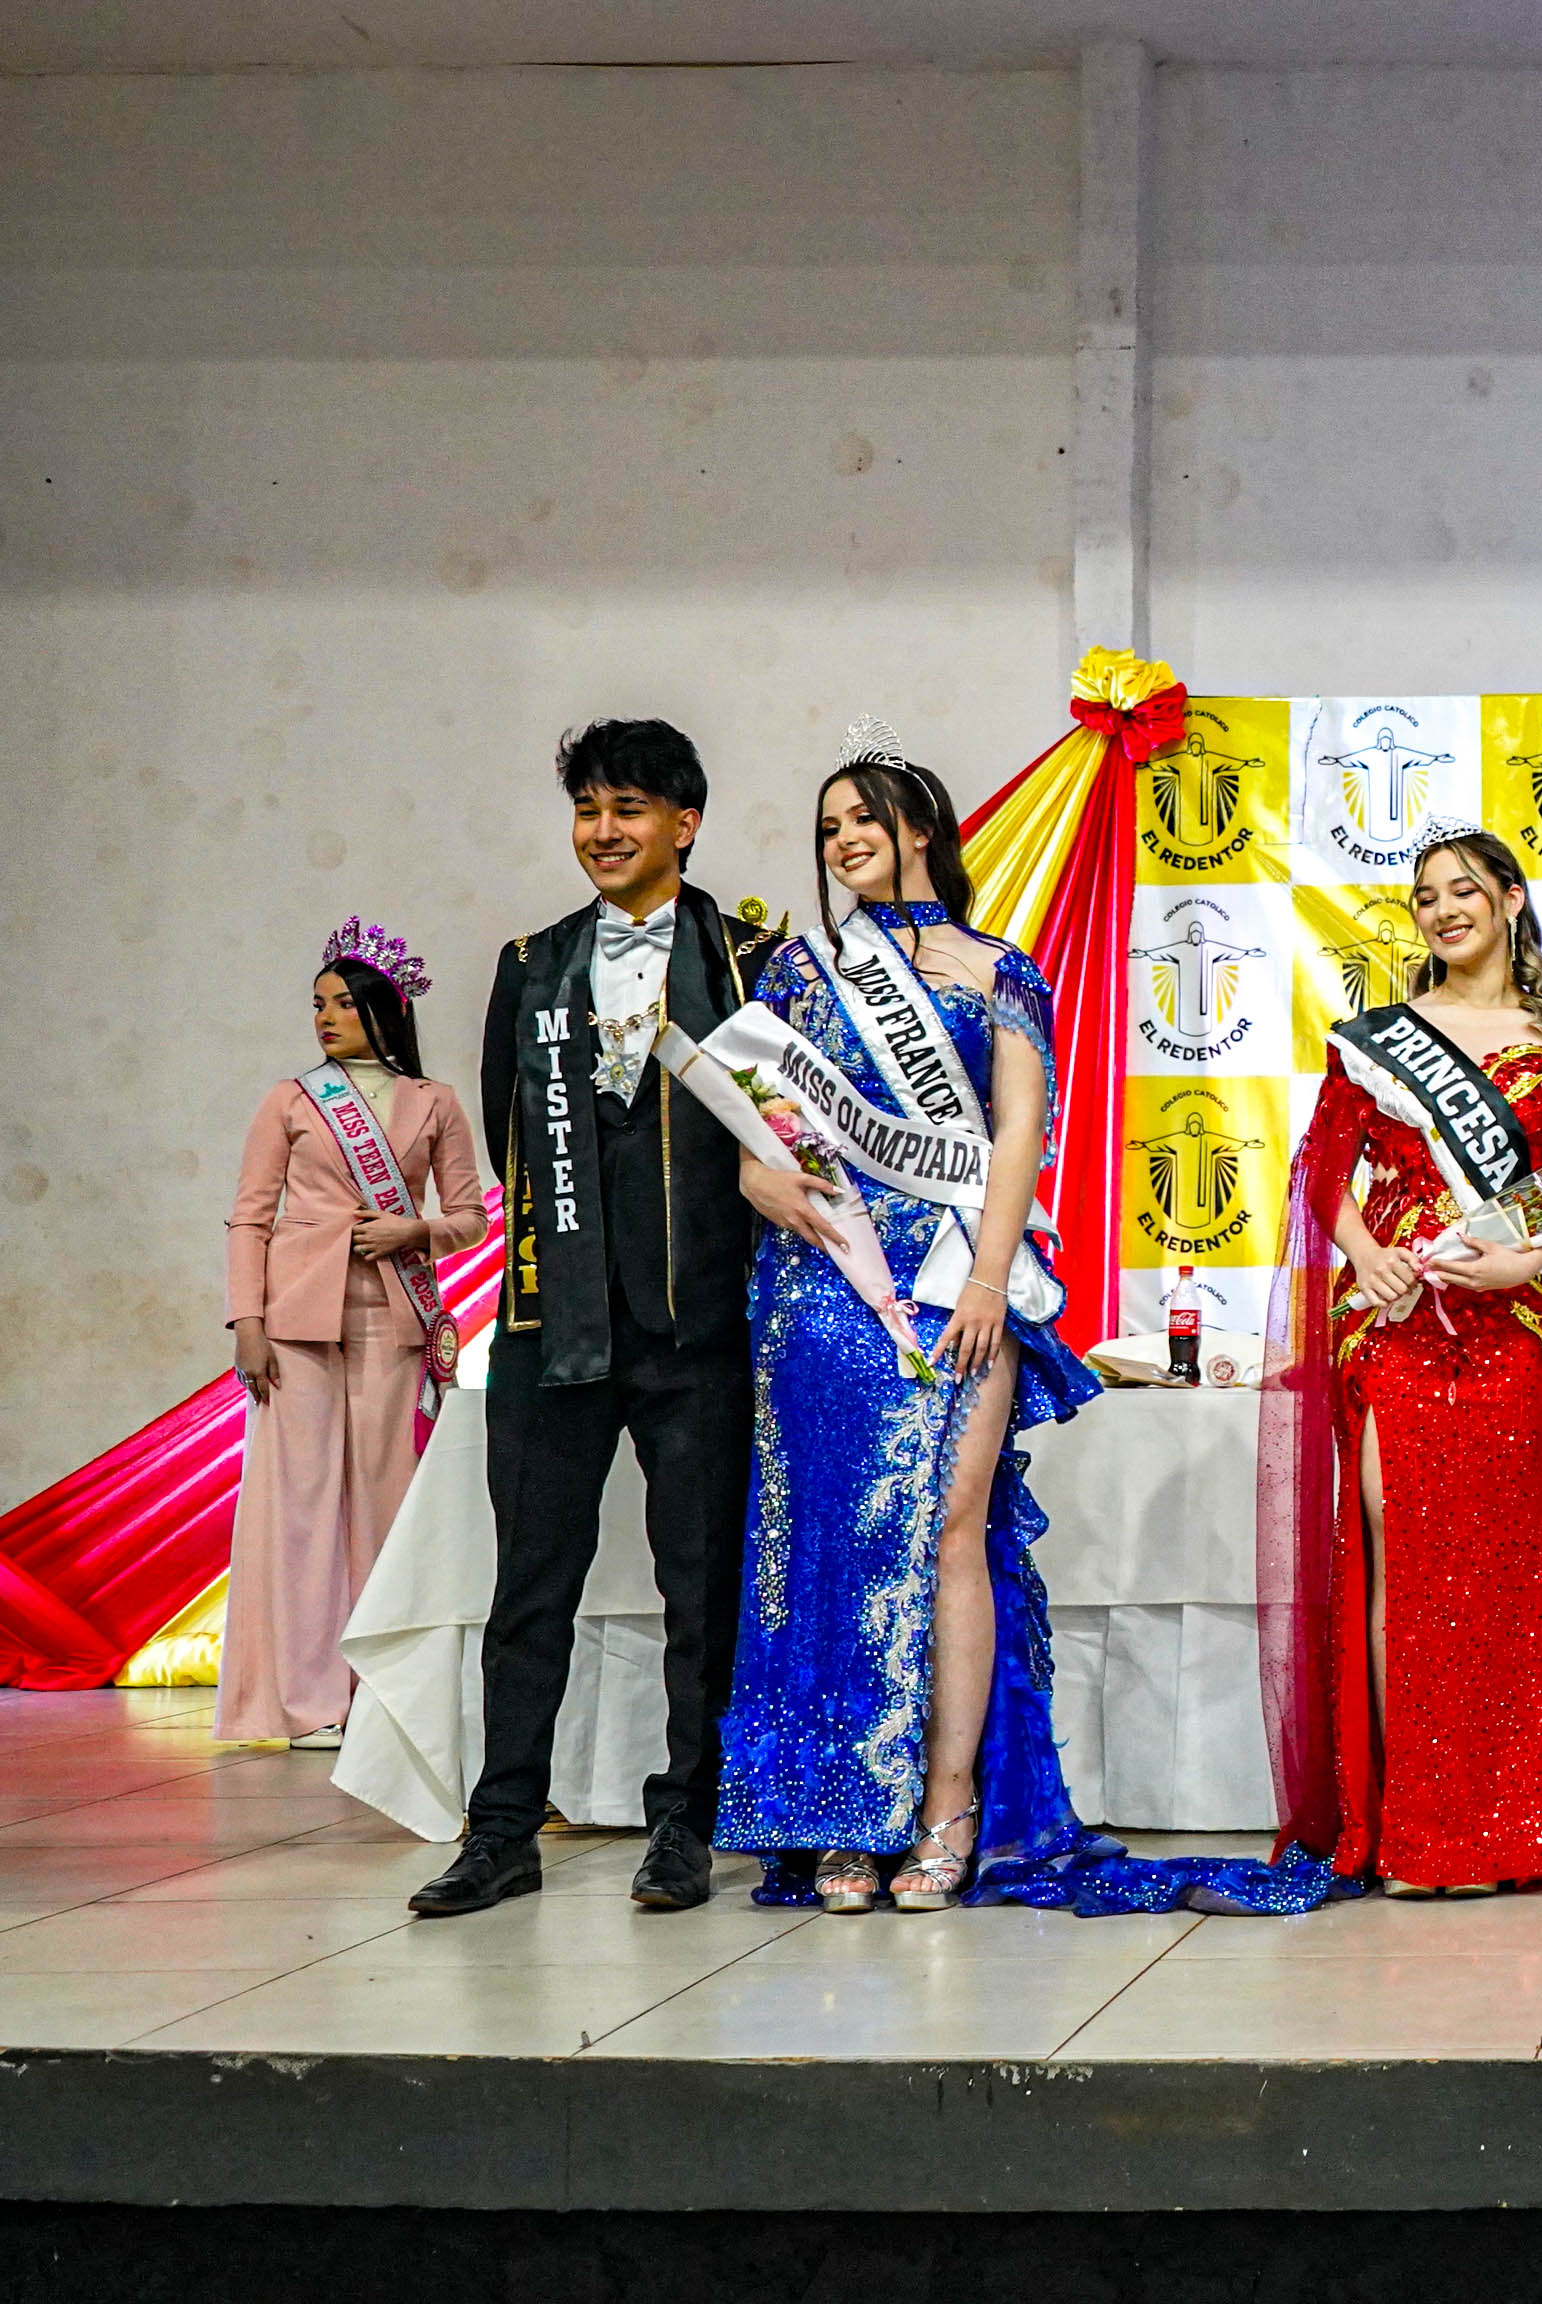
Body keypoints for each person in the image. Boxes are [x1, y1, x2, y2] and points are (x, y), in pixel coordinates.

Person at [712, 732, 1327, 1915]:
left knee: (950, 1528)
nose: (845, 839)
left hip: (954, 1277)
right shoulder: (797, 970)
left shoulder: (996, 967)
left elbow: (1017, 1135)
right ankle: (845, 1815)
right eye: (830, 824)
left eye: (865, 817)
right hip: (822, 1279)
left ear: (921, 828)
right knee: (826, 1537)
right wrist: (756, 1176)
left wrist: (990, 1278)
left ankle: (946, 1808)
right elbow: (757, 1120)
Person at [412, 721, 784, 1918]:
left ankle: (686, 1821)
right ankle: (501, 1827)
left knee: (702, 1591)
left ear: (686, 822)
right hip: (550, 1320)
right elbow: (509, 1133)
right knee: (529, 1586)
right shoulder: (531, 962)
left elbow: (783, 1135)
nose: (604, 830)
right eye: (588, 808)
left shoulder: (752, 961)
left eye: (629, 807)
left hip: (699, 1327)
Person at [1265, 826, 1542, 1898]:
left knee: (1509, 1572)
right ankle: (1421, 1829)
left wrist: (1525, 1259)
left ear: (1511, 900)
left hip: (1511, 1330)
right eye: (1426, 896)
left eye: (1464, 890)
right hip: (1396, 1326)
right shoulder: (1377, 1041)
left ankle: (1515, 1822)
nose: (1443, 910)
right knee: (1407, 1561)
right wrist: (1365, 1253)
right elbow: (1320, 1172)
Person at [220, 921, 485, 1748]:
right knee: (298, 1509)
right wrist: (248, 1322)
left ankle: (384, 1692)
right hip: (295, 1322)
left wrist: (416, 1232)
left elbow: (471, 1216)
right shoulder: (290, 1099)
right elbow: (249, 1217)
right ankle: (306, 1702)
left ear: (386, 1008)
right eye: (317, 1004)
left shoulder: (435, 1101)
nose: (325, 1018)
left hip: (393, 1320)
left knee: (385, 1506)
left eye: (341, 1003)